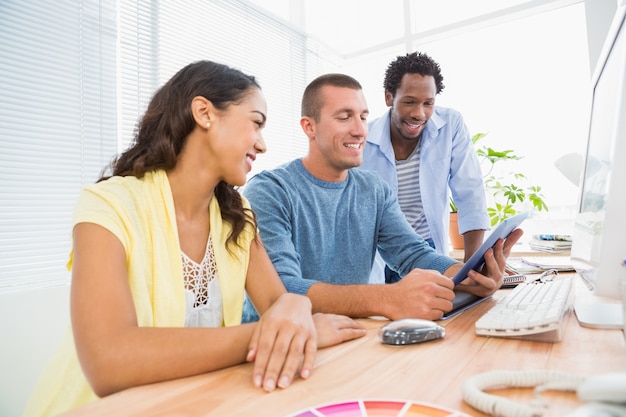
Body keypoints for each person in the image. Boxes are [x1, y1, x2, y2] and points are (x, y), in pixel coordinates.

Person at [24, 61, 366, 417]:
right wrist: (264, 333)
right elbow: (108, 361)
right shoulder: (109, 204)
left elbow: (280, 307)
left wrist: (296, 308)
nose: (262, 145)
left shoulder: (238, 219)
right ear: (204, 113)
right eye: (256, 123)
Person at [241, 73, 522, 323]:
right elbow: (283, 289)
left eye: (363, 117)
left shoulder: (373, 189)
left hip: (349, 338)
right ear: (309, 127)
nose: (359, 130)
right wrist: (387, 298)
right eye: (344, 117)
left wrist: (469, 275)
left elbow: (413, 253)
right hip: (274, 346)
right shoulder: (269, 191)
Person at [360, 52, 489, 284]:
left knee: (439, 314)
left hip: (426, 249)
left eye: (428, 103)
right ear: (389, 97)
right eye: (409, 102)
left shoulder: (451, 125)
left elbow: (470, 193)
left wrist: (471, 270)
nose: (419, 114)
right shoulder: (363, 138)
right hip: (378, 253)